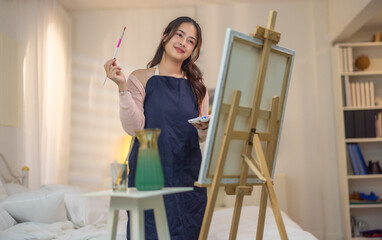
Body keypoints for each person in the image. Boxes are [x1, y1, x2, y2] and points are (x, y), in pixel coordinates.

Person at [104, 16, 209, 240]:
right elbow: (135, 128)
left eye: (191, 41)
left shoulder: (198, 85)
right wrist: (122, 87)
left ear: (193, 50)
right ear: (165, 37)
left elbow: (201, 136)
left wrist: (206, 127)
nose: (183, 42)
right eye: (179, 35)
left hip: (188, 174)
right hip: (149, 172)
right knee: (149, 230)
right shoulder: (140, 78)